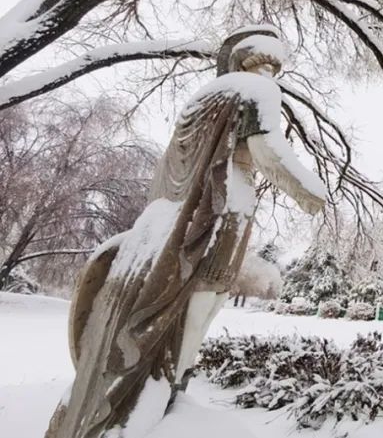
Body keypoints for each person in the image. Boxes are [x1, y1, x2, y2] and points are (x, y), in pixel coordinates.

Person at [46, 27, 327, 438]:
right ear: (250, 63)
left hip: (177, 214)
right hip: (227, 201)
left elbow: (168, 171)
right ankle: (172, 384)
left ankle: (165, 383)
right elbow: (267, 150)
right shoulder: (256, 91)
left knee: (199, 300)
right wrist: (309, 193)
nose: (271, 71)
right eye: (268, 63)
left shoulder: (200, 100)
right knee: (205, 301)